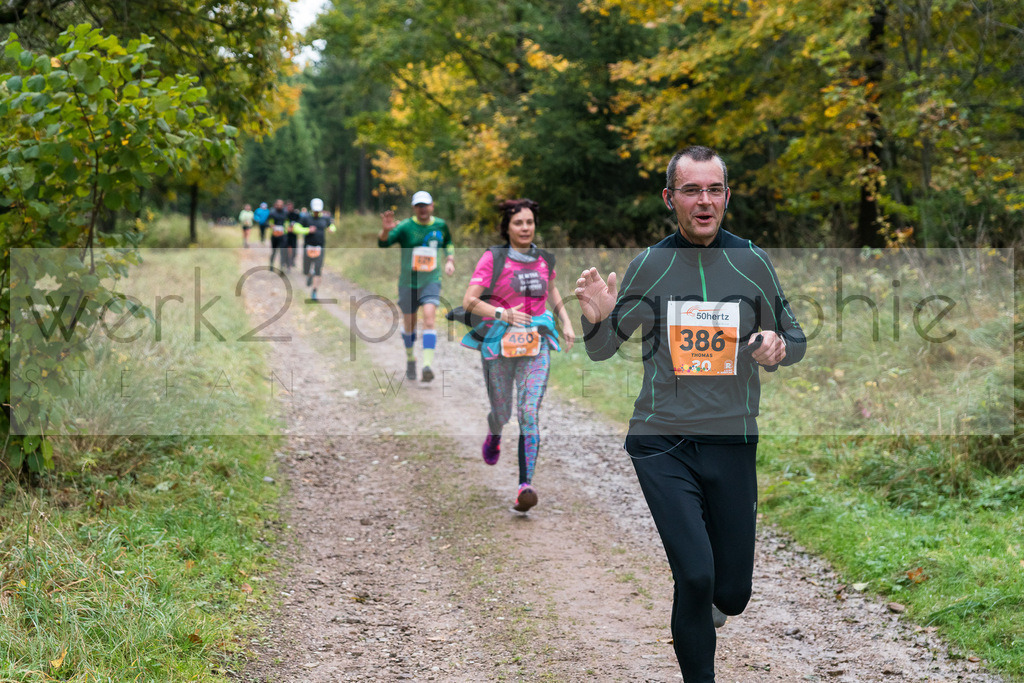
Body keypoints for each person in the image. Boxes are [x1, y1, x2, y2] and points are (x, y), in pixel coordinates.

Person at [573, 145, 806, 682]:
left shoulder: (751, 260)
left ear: (727, 195)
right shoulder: (651, 265)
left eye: (714, 189)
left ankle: (705, 613)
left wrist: (777, 344)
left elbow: (793, 336)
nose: (704, 201)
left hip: (732, 440)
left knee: (732, 593)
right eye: (691, 190)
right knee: (696, 577)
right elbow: (605, 347)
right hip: (663, 439)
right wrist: (598, 319)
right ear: (670, 198)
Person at [461, 199, 575, 512]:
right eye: (518, 223)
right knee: (503, 411)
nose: (525, 228)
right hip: (499, 343)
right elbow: (469, 301)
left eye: (529, 222)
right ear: (507, 228)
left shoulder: (544, 259)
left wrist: (565, 322)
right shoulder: (493, 258)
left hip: (535, 344)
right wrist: (503, 313)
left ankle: (525, 486)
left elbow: (552, 290)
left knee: (528, 411)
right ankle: (495, 430)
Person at [378, 190, 455, 382]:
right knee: (410, 323)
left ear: (432, 206)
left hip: (431, 280)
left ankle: (427, 365)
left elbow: (449, 243)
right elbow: (383, 244)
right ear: (414, 208)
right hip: (408, 283)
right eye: (419, 205)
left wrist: (450, 260)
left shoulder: (440, 225)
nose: (422, 209)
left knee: (429, 319)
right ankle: (411, 358)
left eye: (425, 205)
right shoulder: (405, 227)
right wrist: (386, 230)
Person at [291, 197, 336, 301]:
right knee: (306, 270)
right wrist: (307, 230)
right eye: (315, 210)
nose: (316, 212)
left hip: (320, 248)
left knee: (318, 270)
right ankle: (309, 274)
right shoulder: (305, 218)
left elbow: (332, 226)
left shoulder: (325, 218)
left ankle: (314, 291)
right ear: (312, 209)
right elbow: (296, 228)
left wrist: (331, 229)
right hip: (308, 247)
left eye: (318, 211)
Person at [267, 199, 289, 271]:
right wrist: (270, 225)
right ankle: (271, 265)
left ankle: (282, 267)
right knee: (274, 251)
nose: (280, 206)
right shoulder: (272, 213)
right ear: (276, 205)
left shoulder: (286, 213)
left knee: (283, 251)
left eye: (281, 205)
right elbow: (267, 222)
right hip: (275, 235)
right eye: (278, 205)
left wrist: (287, 227)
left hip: (283, 235)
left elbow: (288, 221)